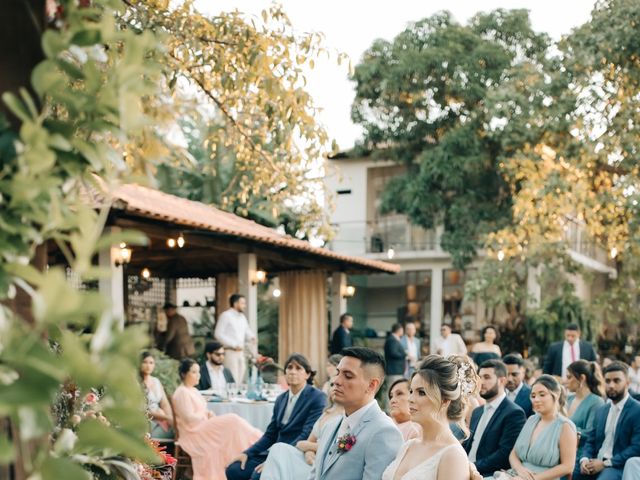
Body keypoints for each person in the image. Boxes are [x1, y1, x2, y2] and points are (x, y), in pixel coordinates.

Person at [226, 354, 326, 480]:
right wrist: (246, 453)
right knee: (235, 470)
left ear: (307, 374)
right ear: (285, 373)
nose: (293, 372)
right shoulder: (281, 399)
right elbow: (270, 434)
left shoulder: (317, 397)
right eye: (289, 368)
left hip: (295, 453)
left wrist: (276, 459)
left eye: (298, 368)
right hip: (273, 451)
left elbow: (306, 434)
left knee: (258, 475)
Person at [308, 346, 403, 480]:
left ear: (371, 385)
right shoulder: (330, 425)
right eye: (337, 373)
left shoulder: (384, 432)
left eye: (347, 376)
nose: (336, 381)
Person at [382, 355, 480, 480]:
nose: (410, 399)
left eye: (421, 392)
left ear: (445, 401)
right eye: (411, 391)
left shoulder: (452, 455)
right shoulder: (409, 446)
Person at [171, 359, 262, 480]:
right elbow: (188, 418)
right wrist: (205, 415)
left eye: (198, 372)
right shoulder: (181, 392)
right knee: (232, 420)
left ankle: (256, 443)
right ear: (184, 374)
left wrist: (208, 413)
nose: (198, 375)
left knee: (232, 424)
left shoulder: (193, 390)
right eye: (194, 372)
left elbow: (201, 411)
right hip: (193, 431)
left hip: (201, 425)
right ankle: (258, 441)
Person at [492, 375, 577, 479]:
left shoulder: (565, 426)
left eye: (542, 395)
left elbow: (568, 466)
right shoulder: (531, 420)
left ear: (557, 395)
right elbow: (513, 454)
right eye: (533, 396)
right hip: (516, 475)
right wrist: (520, 470)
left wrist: (532, 479)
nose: (536, 399)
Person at [574, 361, 640, 480]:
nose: (611, 385)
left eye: (616, 380)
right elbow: (590, 440)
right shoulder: (602, 410)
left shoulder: (637, 410)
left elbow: (636, 448)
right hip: (594, 462)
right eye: (608, 381)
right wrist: (584, 460)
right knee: (567, 473)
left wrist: (605, 463)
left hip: (617, 466)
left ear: (628, 383)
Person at [259, 389, 344, 480]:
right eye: (332, 385)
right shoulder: (326, 413)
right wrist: (308, 452)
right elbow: (310, 440)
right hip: (310, 457)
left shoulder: (344, 416)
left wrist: (306, 446)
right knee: (278, 448)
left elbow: (337, 446)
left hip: (321, 463)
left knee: (280, 456)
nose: (335, 388)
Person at [463, 359, 527, 477]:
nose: (481, 382)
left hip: (489, 474)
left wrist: (471, 466)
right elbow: (468, 445)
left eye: (487, 377)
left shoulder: (514, 413)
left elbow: (504, 455)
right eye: (480, 377)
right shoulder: (477, 412)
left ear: (502, 380)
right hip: (465, 469)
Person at [566, 360, 605, 459]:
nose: (565, 381)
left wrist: (564, 430)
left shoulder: (597, 402)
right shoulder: (568, 399)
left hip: (581, 454)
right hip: (561, 449)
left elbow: (590, 433)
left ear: (582, 378)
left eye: (569, 377)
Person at [214, 293, 256, 383]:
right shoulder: (226, 316)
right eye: (243, 303)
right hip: (230, 352)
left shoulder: (242, 317)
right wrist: (233, 344)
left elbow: (246, 330)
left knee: (240, 380)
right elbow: (218, 334)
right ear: (235, 303)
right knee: (232, 379)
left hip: (241, 353)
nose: (245, 306)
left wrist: (252, 337)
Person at [140, 351, 174, 439]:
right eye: (145, 362)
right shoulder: (136, 383)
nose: (148, 366)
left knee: (180, 427)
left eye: (151, 363)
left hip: (162, 418)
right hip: (148, 421)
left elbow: (165, 404)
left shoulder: (156, 381)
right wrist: (166, 417)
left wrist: (170, 418)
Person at [384, 323, 407, 389]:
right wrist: (405, 354)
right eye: (402, 330)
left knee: (395, 388)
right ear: (399, 330)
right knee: (392, 389)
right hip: (394, 371)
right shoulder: (392, 340)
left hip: (396, 371)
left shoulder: (394, 339)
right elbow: (393, 353)